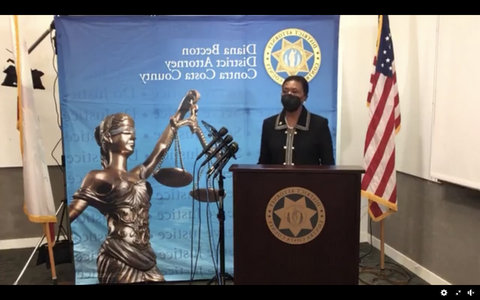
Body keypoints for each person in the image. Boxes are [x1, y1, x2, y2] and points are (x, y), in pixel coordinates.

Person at [68, 90, 200, 284]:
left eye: (134, 135)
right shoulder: (97, 176)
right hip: (118, 255)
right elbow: (70, 213)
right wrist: (51, 224)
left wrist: (180, 112)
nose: (132, 138)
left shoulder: (138, 173)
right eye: (126, 133)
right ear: (108, 137)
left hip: (145, 256)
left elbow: (161, 148)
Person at [258, 75, 335, 166]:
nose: (289, 94)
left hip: (309, 180)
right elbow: (263, 162)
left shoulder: (319, 124)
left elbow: (328, 163)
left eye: (295, 91)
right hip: (276, 180)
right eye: (285, 91)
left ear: (305, 97)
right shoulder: (269, 124)